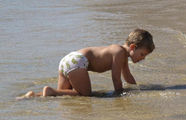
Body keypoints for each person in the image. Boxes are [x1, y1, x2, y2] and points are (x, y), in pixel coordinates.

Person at [18, 28, 155, 98]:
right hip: (78, 62)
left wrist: (137, 90)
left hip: (68, 60)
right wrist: (120, 96)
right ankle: (50, 91)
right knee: (85, 95)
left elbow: (128, 77)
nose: (143, 58)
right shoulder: (119, 53)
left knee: (63, 95)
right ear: (132, 47)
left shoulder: (121, 55)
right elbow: (116, 78)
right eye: (142, 54)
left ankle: (33, 95)